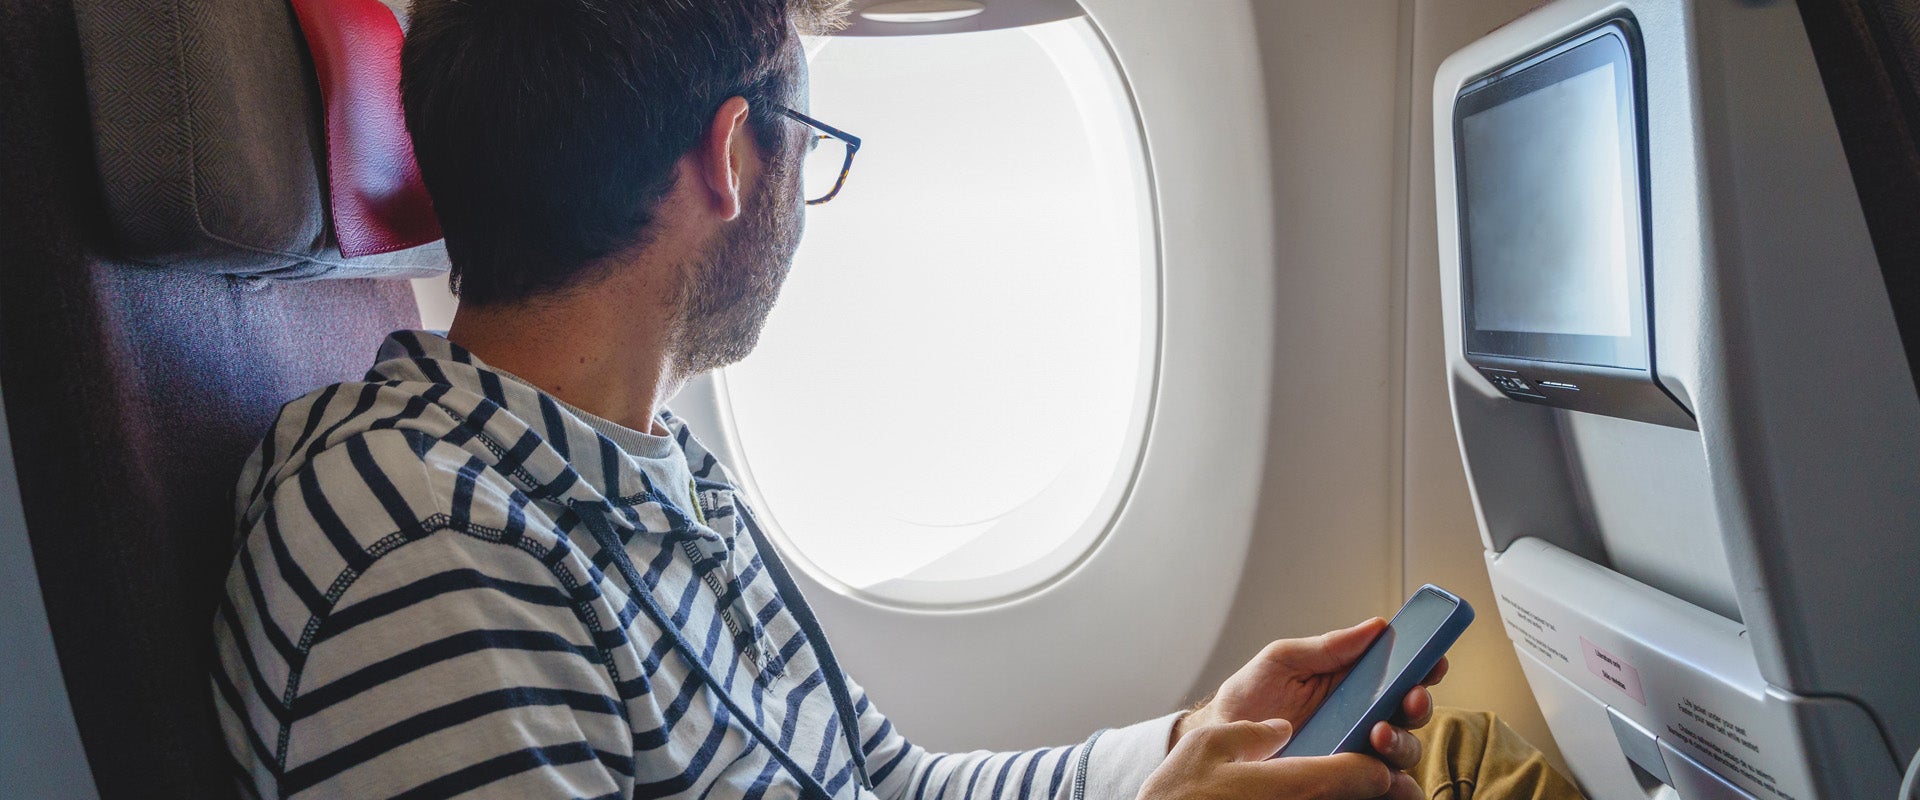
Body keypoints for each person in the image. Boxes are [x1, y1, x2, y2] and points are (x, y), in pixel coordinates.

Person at [210, 1, 1583, 798]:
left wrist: (1186, 748)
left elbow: (888, 786)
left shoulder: (645, 475)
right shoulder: (426, 561)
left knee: (1442, 757)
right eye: (816, 142)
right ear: (734, 157)